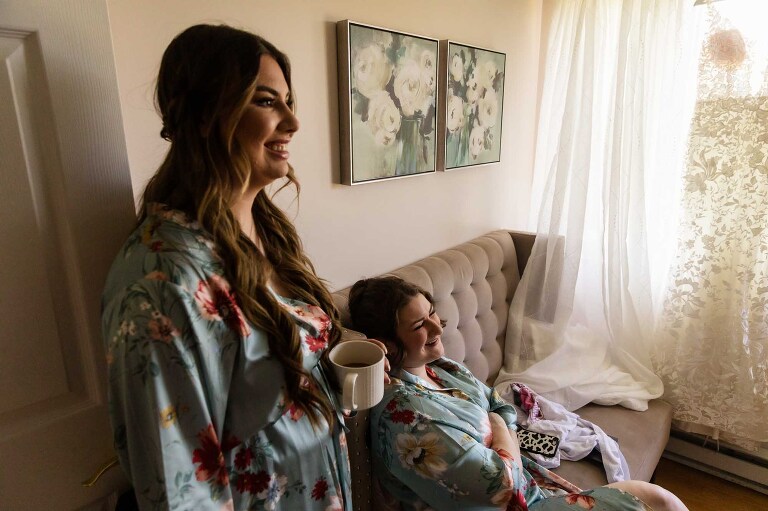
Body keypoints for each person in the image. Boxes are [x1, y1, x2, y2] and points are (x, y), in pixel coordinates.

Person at [102, 24, 381, 511]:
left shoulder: (265, 229)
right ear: (208, 113)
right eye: (267, 101)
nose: (293, 123)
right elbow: (179, 490)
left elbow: (260, 385)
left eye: (289, 101)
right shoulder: (162, 283)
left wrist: (331, 363)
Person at [348, 276, 689, 511]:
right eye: (419, 326)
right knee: (656, 499)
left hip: (528, 486)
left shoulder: (444, 369)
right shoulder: (405, 415)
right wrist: (501, 428)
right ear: (387, 344)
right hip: (514, 501)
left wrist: (501, 429)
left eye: (432, 314)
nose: (438, 328)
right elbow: (501, 485)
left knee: (659, 500)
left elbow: (500, 403)